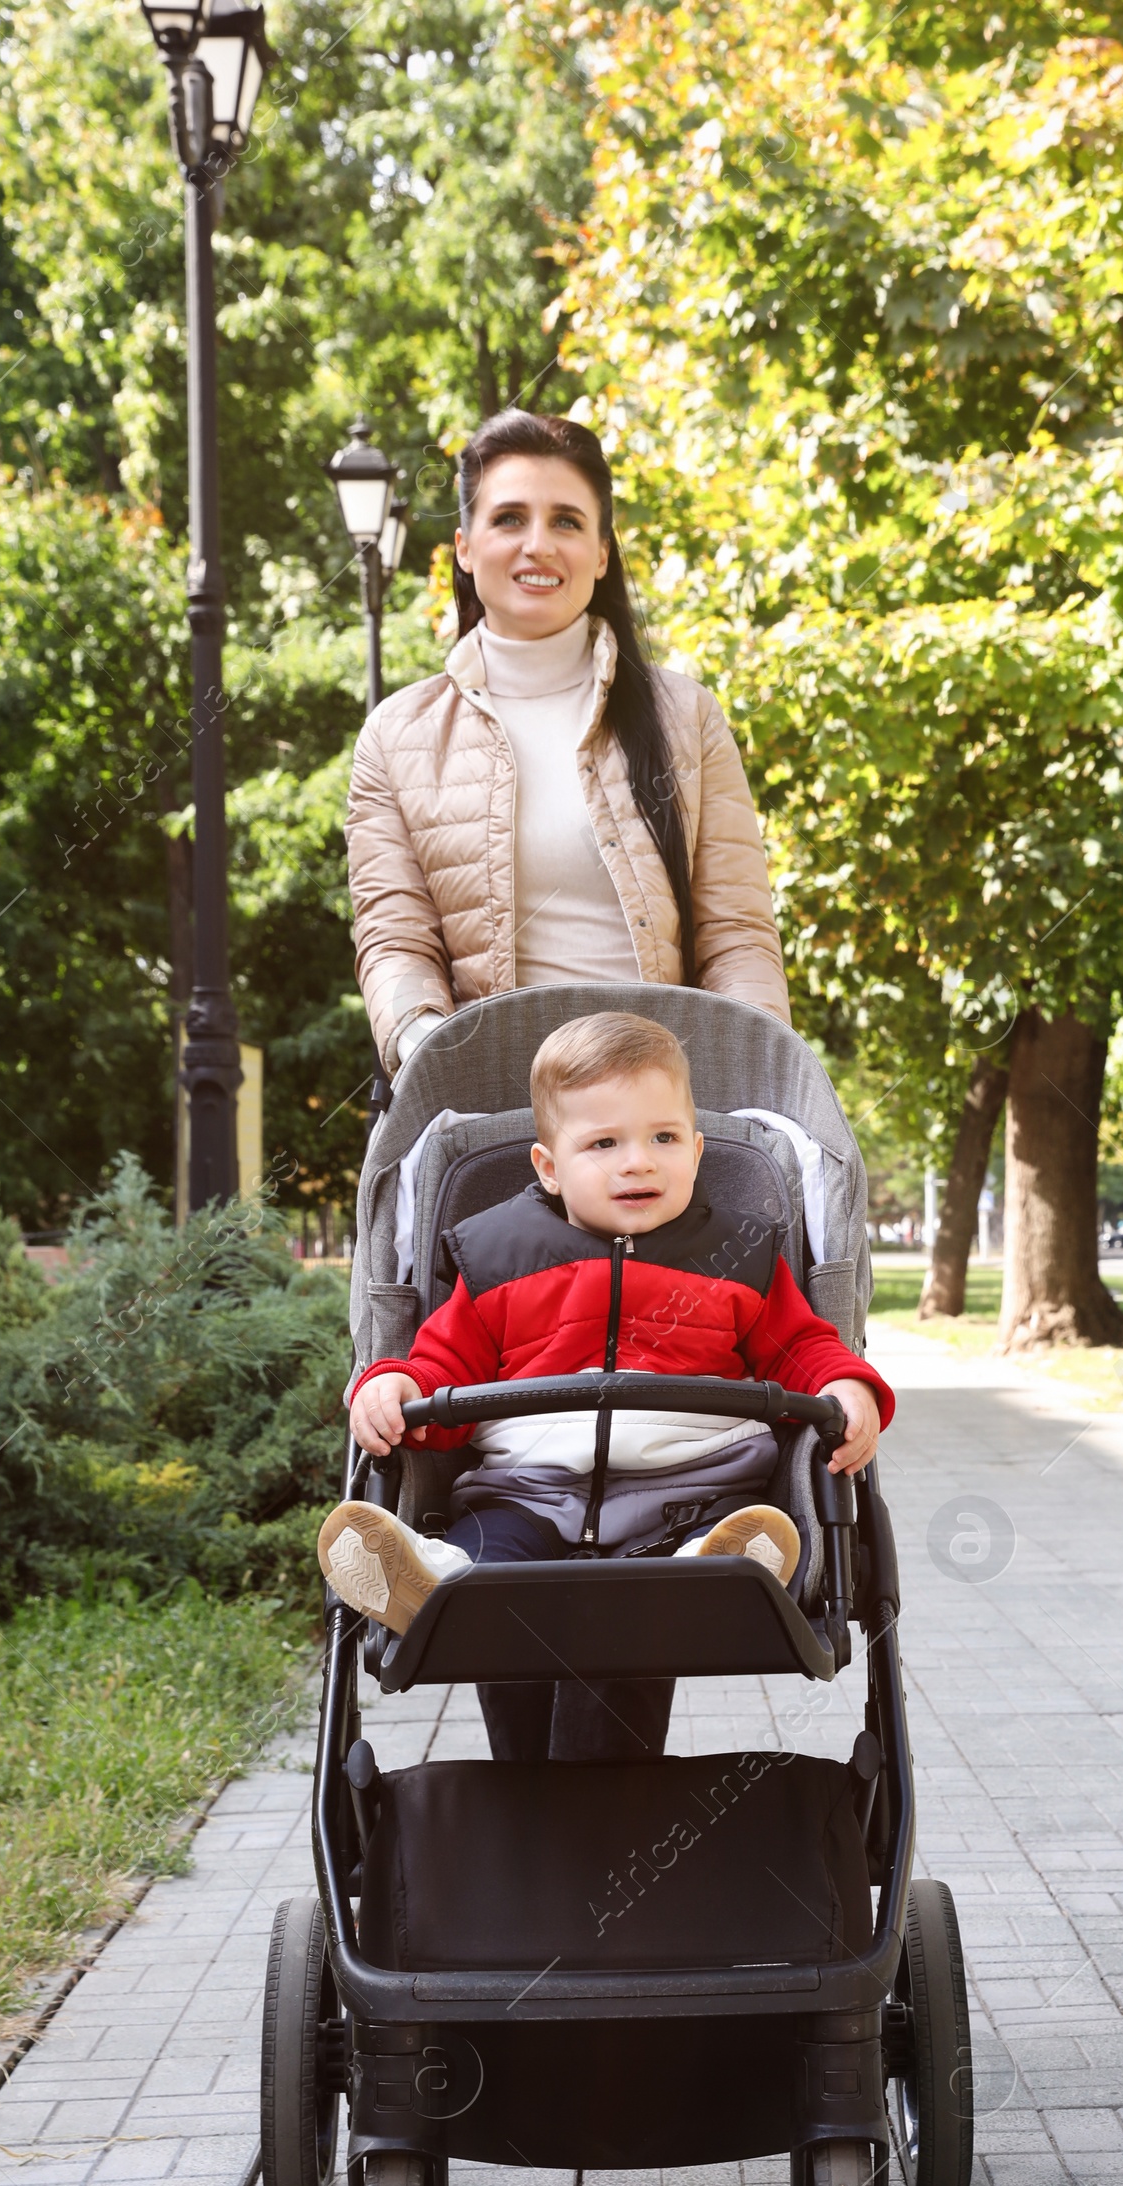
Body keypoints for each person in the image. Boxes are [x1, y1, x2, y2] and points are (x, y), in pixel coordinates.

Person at [318, 1012, 891, 1763]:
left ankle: (720, 1571)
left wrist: (847, 1384)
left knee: (643, 1611)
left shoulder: (739, 1257)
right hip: (527, 1493)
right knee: (490, 1582)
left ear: (697, 1149)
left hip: (690, 1491)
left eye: (663, 1138)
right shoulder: (497, 1259)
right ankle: (434, 1581)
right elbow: (441, 1369)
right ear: (549, 1166)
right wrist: (393, 1386)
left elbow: (802, 1347)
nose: (637, 1163)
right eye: (603, 1143)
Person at [346, 408, 790, 1079]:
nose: (538, 544)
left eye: (566, 521)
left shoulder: (685, 716)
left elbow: (737, 936)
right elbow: (395, 941)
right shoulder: (395, 737)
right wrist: (430, 1051)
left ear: (602, 552)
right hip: (489, 1104)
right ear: (464, 547)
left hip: (667, 1114)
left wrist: (754, 1076)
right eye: (509, 518)